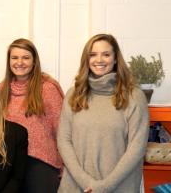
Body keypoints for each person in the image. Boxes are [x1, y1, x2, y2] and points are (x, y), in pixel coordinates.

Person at [57, 34, 149, 193]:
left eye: (106, 54)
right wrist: (87, 183)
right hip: (76, 186)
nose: (99, 60)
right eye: (93, 55)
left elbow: (137, 147)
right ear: (86, 59)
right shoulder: (74, 94)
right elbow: (64, 141)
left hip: (120, 186)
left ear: (115, 59)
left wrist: (105, 186)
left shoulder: (134, 96)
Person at [0, 38, 63, 193]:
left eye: (25, 57)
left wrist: (66, 167)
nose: (19, 62)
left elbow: (62, 130)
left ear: (34, 61)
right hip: (10, 165)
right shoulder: (2, 89)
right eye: (14, 58)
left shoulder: (47, 88)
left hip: (41, 165)